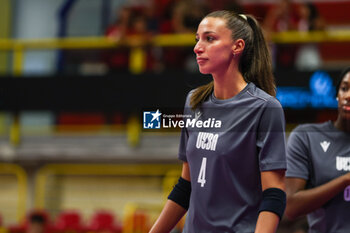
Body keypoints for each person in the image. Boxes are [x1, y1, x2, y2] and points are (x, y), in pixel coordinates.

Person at [149, 10, 287, 233]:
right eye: (197, 39)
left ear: (237, 46)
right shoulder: (194, 101)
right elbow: (186, 186)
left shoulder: (265, 108)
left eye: (209, 38)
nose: (197, 47)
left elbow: (274, 194)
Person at [285, 67, 350, 232]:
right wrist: (345, 180)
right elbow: (291, 207)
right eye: (344, 88)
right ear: (337, 95)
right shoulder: (306, 136)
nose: (348, 96)